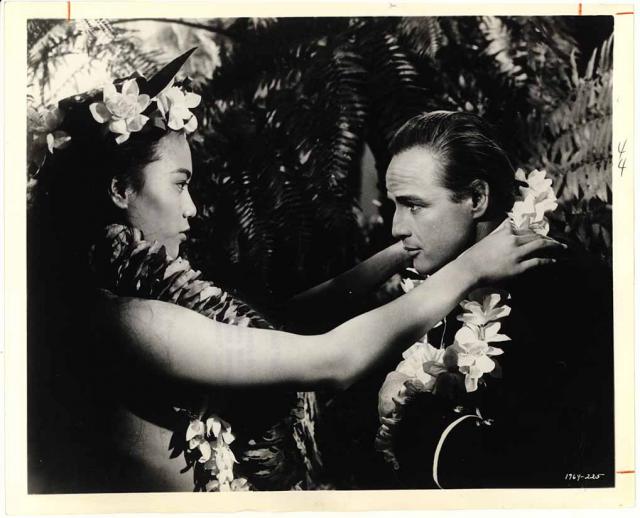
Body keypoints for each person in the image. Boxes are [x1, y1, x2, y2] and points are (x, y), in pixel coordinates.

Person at [26, 52, 561, 494]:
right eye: (180, 184)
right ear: (120, 190)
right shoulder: (129, 320)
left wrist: (402, 251)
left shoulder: (128, 300)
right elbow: (331, 360)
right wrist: (470, 266)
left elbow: (272, 323)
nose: (192, 208)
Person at [376, 111, 614, 489]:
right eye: (394, 206)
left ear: (477, 198)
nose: (396, 227)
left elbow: (545, 469)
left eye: (414, 205)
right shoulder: (446, 277)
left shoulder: (561, 285)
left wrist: (410, 419)